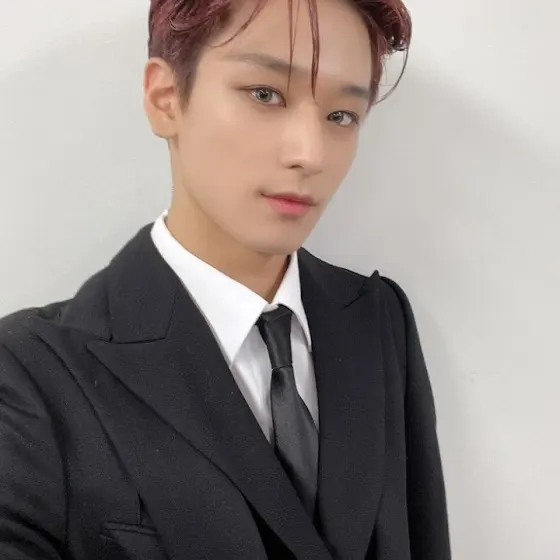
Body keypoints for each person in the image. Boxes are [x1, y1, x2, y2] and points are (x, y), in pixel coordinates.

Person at [0, 0, 451, 558]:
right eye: (265, 94)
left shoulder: (377, 317)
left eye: (341, 116)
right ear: (166, 97)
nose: (309, 154)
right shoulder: (30, 375)